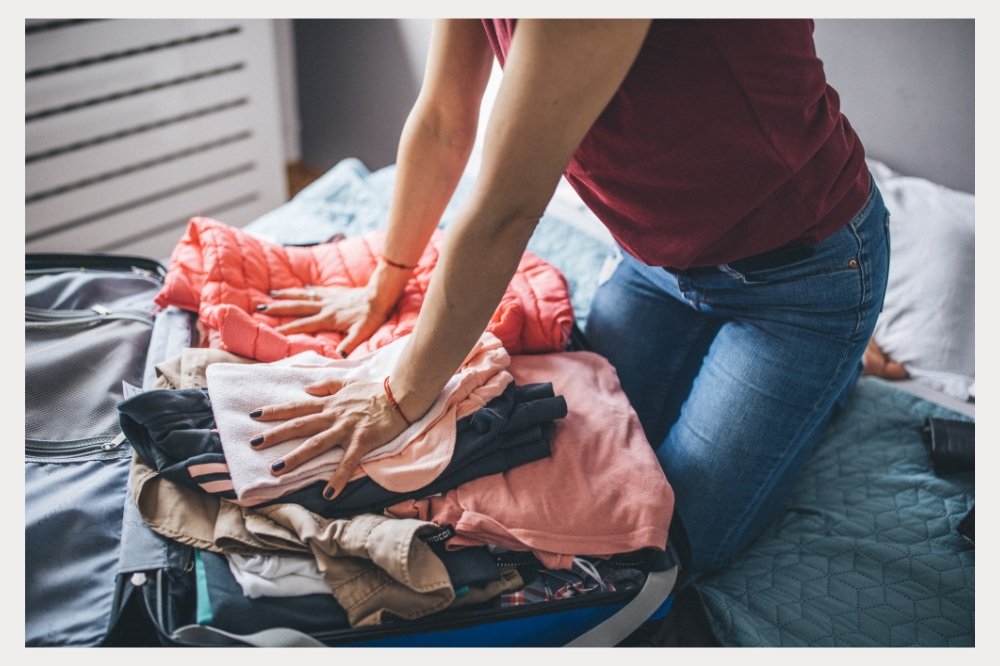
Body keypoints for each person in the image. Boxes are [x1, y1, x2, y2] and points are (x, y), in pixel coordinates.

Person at [247, 19, 891, 576]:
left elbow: (505, 209)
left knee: (661, 543)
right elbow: (444, 120)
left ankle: (836, 363)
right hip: (654, 264)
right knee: (570, 452)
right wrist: (385, 279)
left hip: (798, 280)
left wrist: (394, 398)